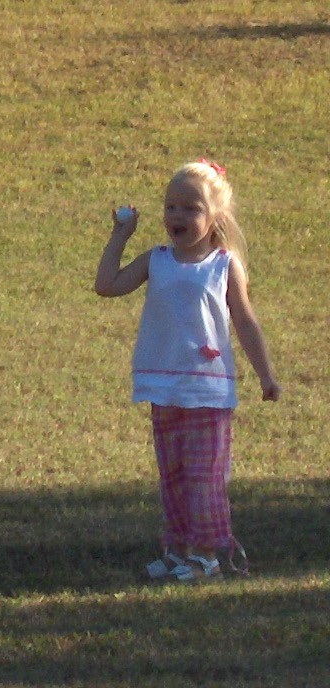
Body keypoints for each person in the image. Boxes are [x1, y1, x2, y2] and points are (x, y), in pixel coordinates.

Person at [95, 159, 280, 582]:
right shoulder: (155, 259)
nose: (176, 216)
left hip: (208, 391)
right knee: (173, 476)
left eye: (190, 208)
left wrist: (266, 375)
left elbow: (246, 321)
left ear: (214, 217)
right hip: (164, 387)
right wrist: (119, 236)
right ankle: (177, 551)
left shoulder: (222, 264)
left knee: (204, 477)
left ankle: (206, 555)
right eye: (171, 206)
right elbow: (107, 285)